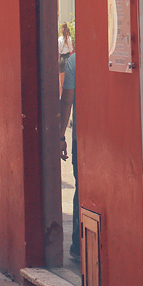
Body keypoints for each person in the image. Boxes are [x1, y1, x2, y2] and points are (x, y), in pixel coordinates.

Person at [60, 51, 79, 260]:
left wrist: (59, 136)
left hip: (82, 139)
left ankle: (79, 245)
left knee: (81, 188)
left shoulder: (75, 60)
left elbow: (67, 100)